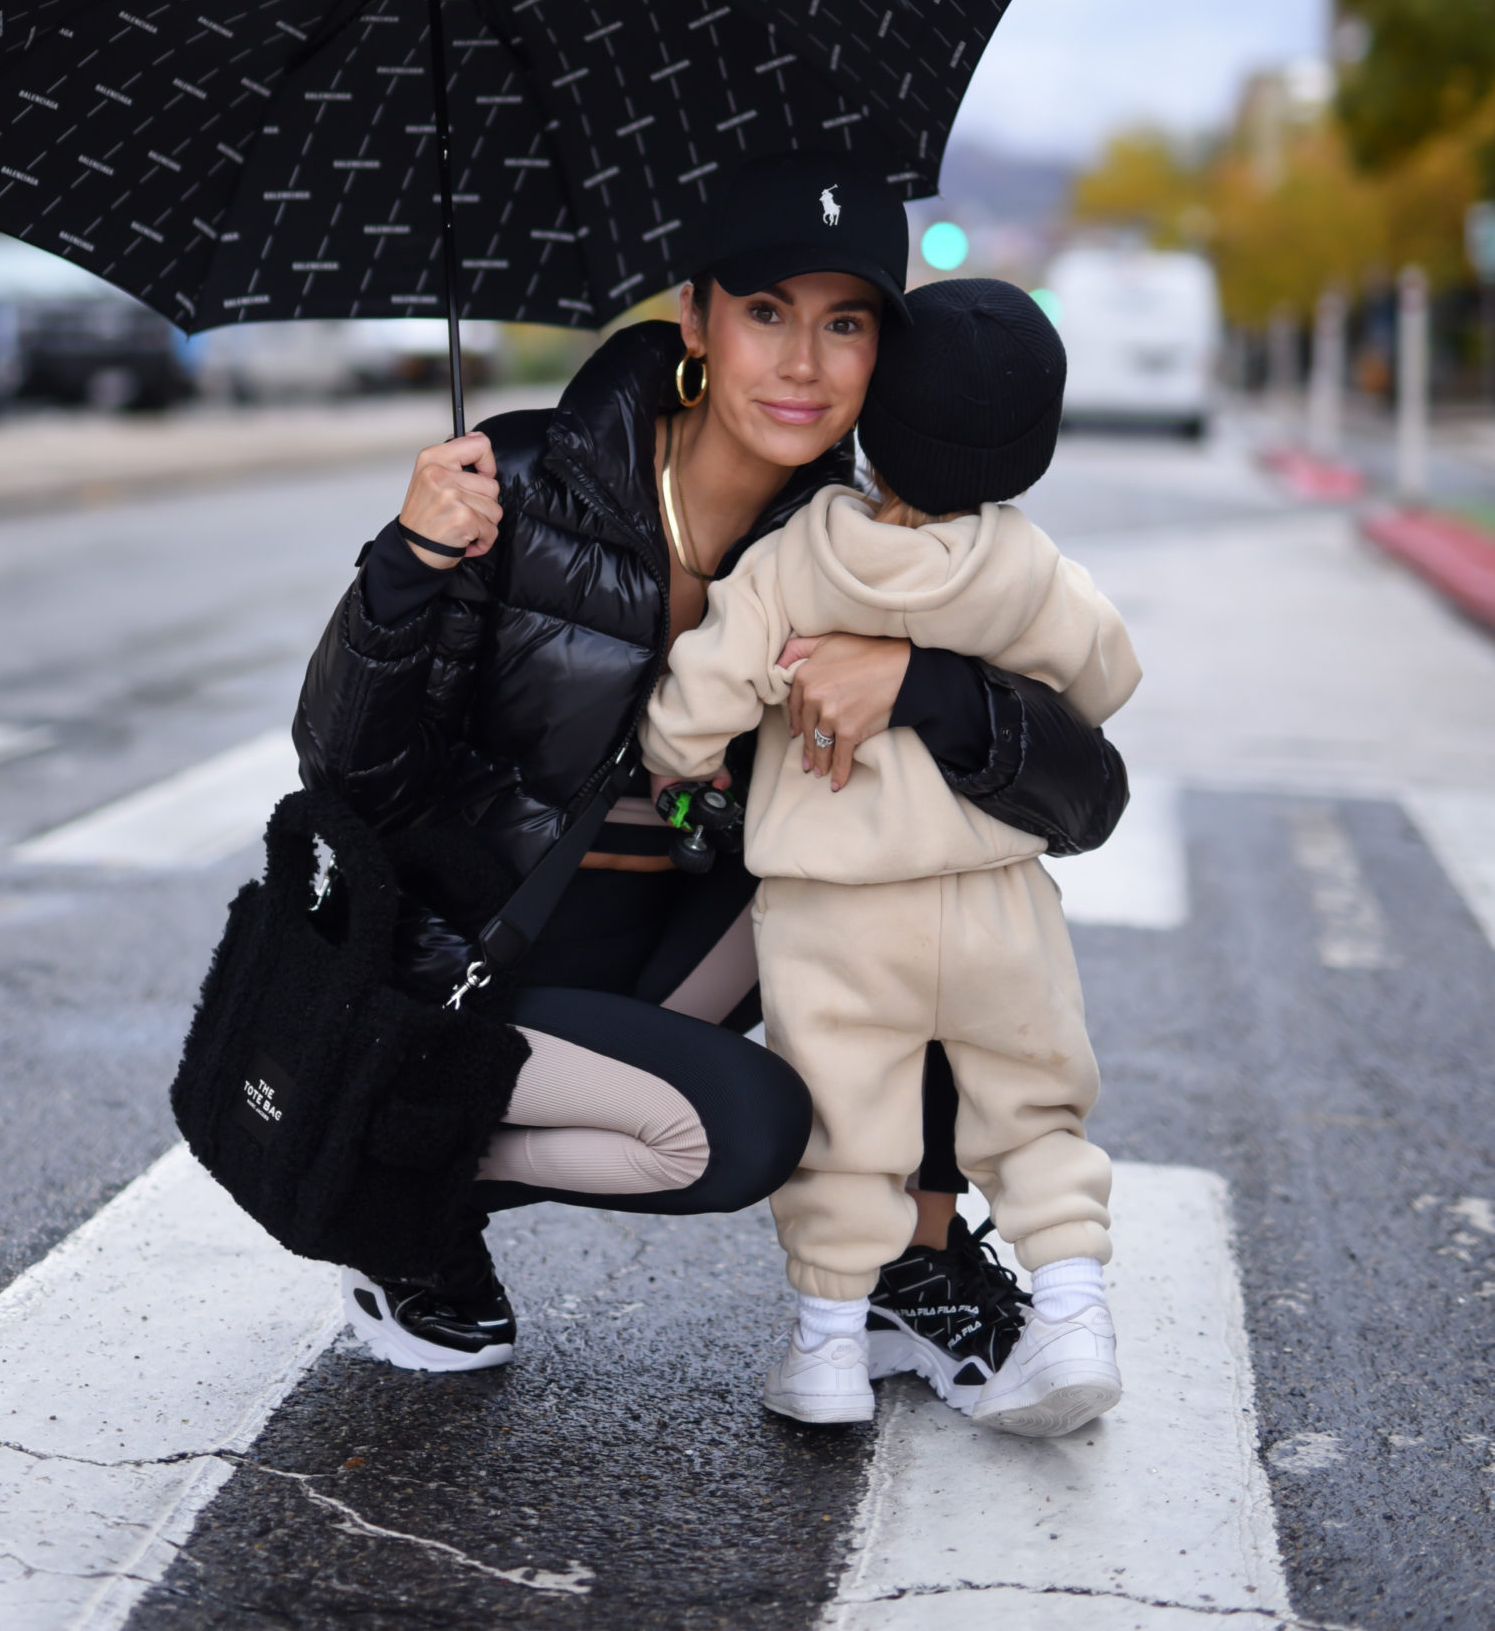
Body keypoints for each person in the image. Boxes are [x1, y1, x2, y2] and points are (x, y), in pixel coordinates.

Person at [292, 154, 1126, 1376]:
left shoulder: (867, 545)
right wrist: (408, 566)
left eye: (843, 323)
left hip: (661, 951)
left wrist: (924, 687)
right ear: (692, 316)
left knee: (943, 903)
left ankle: (911, 1263)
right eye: (765, 312)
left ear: (880, 354)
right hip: (465, 957)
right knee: (742, 1130)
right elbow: (341, 765)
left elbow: (1082, 800)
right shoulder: (513, 483)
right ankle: (386, 1170)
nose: (801, 362)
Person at [642, 277, 1140, 1433]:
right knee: (1031, 1114)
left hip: (831, 916)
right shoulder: (1023, 569)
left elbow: (688, 713)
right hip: (991, 902)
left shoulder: (794, 558)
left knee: (839, 1132)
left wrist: (687, 749)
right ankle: (1072, 1313)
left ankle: (824, 1355)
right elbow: (1106, 677)